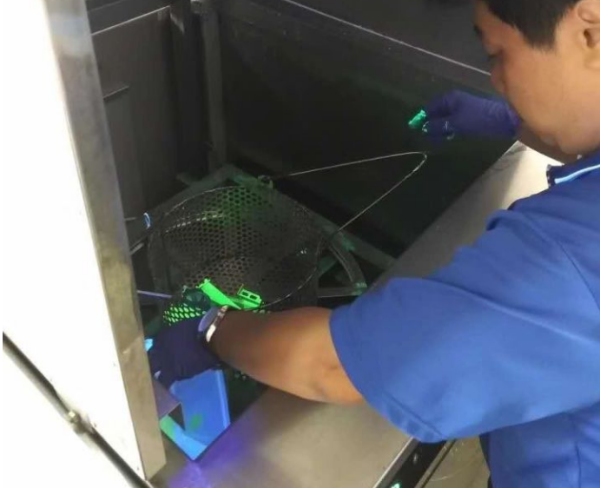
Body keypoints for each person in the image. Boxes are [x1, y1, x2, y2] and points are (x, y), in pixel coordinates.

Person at [149, 1, 600, 486]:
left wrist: (212, 329)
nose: (495, 79)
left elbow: (329, 366)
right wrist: (509, 120)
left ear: (590, 31)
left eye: (497, 54)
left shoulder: (567, 256)